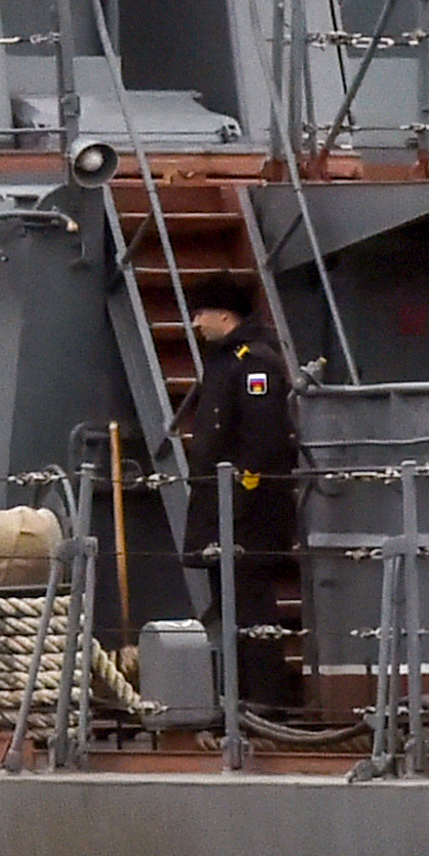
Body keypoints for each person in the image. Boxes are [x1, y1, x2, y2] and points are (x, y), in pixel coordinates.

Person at [176, 272, 303, 706]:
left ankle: (266, 703)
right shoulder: (226, 361)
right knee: (231, 609)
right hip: (222, 510)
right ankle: (240, 701)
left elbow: (265, 441)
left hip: (246, 514)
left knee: (251, 609)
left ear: (225, 315)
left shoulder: (254, 364)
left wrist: (238, 500)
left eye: (200, 313)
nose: (195, 324)